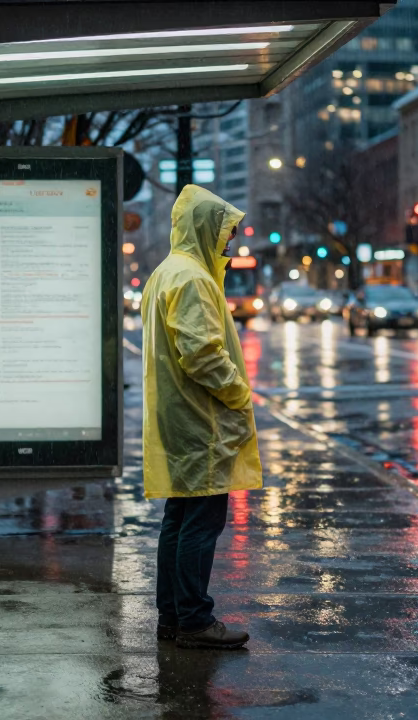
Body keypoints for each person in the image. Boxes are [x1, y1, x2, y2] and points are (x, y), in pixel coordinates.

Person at [141, 185, 261, 650]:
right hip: (201, 422)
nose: (229, 241)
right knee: (201, 521)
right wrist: (239, 394)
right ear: (205, 228)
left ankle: (173, 616)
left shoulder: (166, 274)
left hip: (178, 419)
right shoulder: (191, 279)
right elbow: (202, 354)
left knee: (179, 515)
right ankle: (193, 619)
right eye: (225, 231)